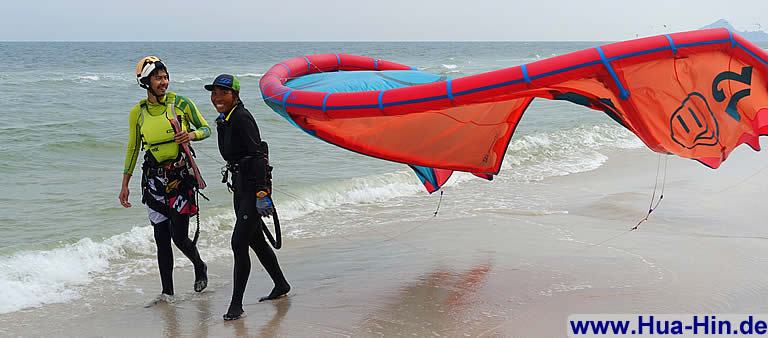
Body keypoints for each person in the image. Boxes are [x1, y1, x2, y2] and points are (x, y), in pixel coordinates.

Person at [119, 56, 210, 304]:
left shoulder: (180, 103)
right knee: (161, 239)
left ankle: (199, 265)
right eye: (158, 78)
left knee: (179, 237)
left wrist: (190, 134)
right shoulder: (138, 113)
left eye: (165, 77)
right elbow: (132, 148)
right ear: (145, 81)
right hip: (154, 182)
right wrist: (124, 183)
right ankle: (167, 293)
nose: (164, 82)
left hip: (179, 180)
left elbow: (206, 128)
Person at [205, 74, 290, 321]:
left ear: (235, 95)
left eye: (223, 92)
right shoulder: (225, 120)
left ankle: (236, 305)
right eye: (214, 93)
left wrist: (262, 192)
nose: (217, 97)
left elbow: (258, 154)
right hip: (240, 186)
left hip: (254, 187)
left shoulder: (241, 118)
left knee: (238, 243)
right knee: (255, 241)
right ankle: (281, 284)